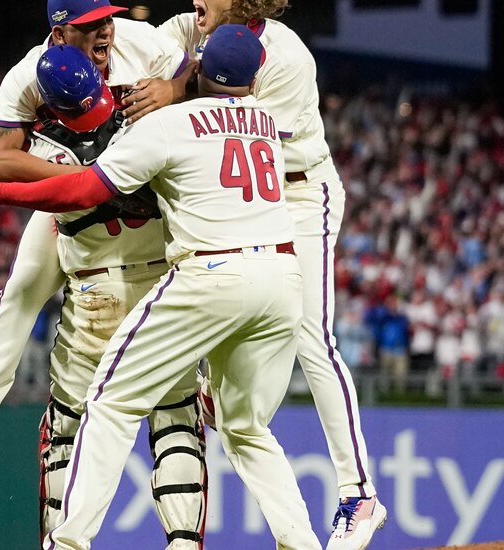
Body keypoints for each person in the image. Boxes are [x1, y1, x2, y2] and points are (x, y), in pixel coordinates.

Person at [0, 25, 320, 550]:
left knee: (107, 401)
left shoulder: (172, 124)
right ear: (253, 75)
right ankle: (301, 543)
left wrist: (3, 192)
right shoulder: (266, 120)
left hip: (212, 277)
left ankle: (69, 541)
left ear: (199, 72)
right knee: (247, 429)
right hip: (283, 283)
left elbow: (84, 187)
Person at [0, 46, 208, 548]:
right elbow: (194, 52)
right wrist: (175, 86)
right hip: (161, 279)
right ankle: (185, 541)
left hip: (92, 282)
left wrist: (15, 187)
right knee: (176, 416)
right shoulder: (151, 116)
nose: (104, 32)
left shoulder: (45, 143)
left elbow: (30, 174)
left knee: (63, 425)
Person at [156, 2, 386, 547]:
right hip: (246, 194)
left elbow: (233, 136)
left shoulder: (286, 58)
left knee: (312, 336)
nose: (194, 2)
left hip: (302, 192)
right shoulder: (189, 28)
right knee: (221, 292)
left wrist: (171, 92)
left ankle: (360, 493)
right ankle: (216, 387)